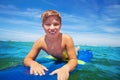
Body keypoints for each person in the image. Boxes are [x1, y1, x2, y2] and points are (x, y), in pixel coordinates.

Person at [24, 10, 78, 80]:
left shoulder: (67, 39)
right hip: (57, 57)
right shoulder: (40, 42)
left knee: (75, 52)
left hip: (66, 55)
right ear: (43, 26)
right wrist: (33, 64)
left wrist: (66, 68)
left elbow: (73, 59)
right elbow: (27, 59)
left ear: (60, 25)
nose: (52, 28)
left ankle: (76, 49)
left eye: (56, 24)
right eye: (48, 24)